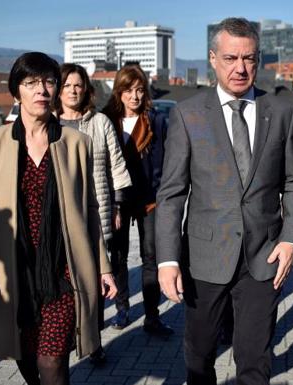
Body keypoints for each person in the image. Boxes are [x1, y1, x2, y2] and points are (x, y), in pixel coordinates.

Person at [155, 18, 293, 384]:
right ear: (213, 59)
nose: (240, 68)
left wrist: (291, 240)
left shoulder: (282, 112)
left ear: (259, 60)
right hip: (205, 261)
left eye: (249, 58)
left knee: (255, 361)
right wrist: (167, 260)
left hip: (263, 258)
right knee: (200, 356)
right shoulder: (188, 115)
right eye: (230, 58)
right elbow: (172, 193)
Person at [0, 52, 117, 385]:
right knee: (28, 360)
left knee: (52, 364)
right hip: (13, 273)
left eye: (48, 82)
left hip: (63, 272)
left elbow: (90, 209)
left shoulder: (77, 143)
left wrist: (103, 267)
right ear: (16, 92)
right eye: (31, 83)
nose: (42, 90)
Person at [56, 63, 132, 364]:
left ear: (86, 89)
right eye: (67, 85)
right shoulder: (49, 123)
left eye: (78, 85)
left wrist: (116, 206)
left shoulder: (100, 122)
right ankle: (63, 337)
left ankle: (94, 341)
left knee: (95, 279)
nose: (73, 91)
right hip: (60, 214)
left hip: (96, 211)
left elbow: (116, 166)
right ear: (58, 90)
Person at [102, 64, 173, 335]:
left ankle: (152, 316)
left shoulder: (155, 120)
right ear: (118, 92)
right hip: (118, 200)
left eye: (140, 90)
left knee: (150, 257)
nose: (135, 96)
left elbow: (165, 158)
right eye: (129, 91)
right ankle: (122, 310)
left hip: (149, 198)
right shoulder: (106, 120)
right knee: (118, 257)